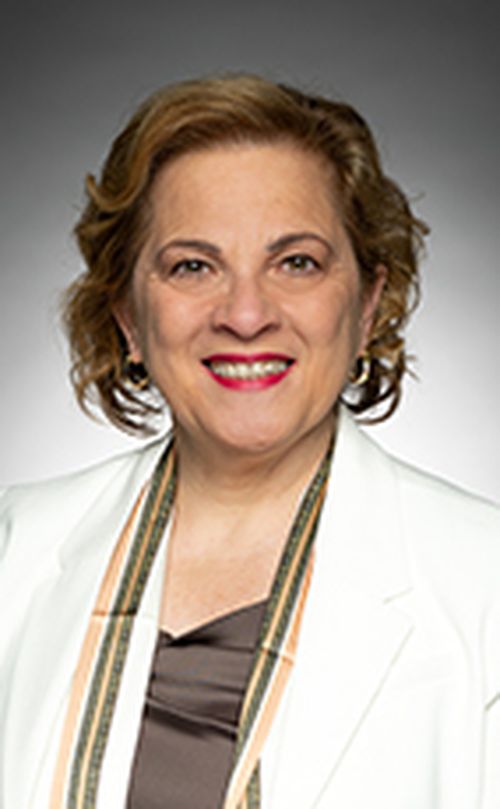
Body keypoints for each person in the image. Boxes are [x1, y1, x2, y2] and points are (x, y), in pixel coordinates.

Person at [0, 74, 498, 809]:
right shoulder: (15, 545)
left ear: (368, 305)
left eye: (296, 261)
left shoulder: (485, 582)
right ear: (129, 317)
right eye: (193, 266)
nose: (245, 313)